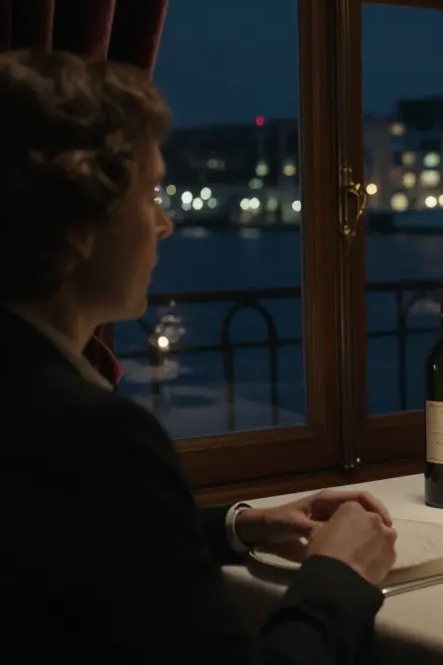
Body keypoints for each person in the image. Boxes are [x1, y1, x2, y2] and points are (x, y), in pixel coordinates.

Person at [0, 49, 399, 664]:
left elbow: (83, 541)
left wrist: (241, 524)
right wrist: (340, 575)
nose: (165, 223)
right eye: (150, 193)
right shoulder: (91, 434)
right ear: (79, 225)